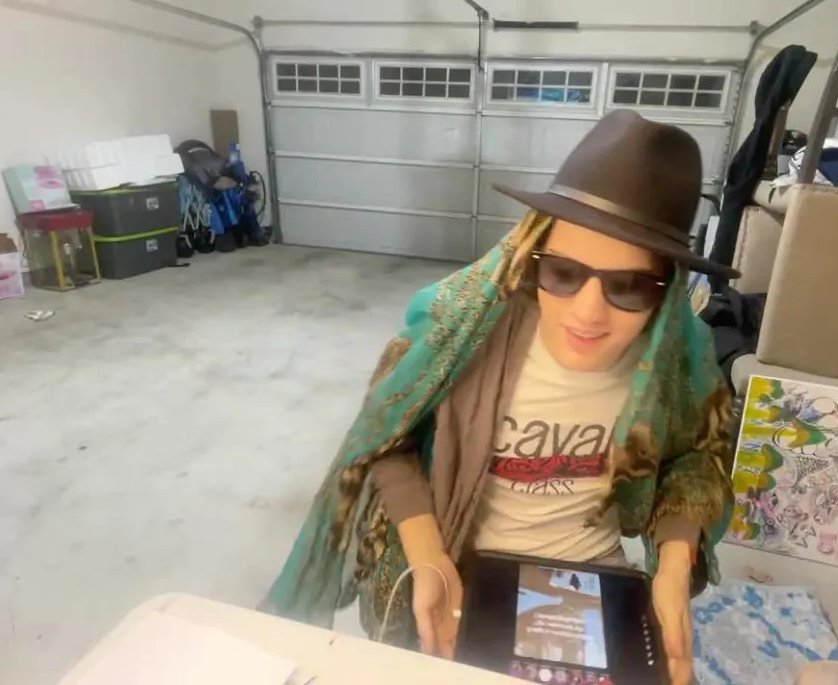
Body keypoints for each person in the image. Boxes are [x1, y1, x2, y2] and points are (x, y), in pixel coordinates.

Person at [264, 109, 739, 685]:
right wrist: (426, 553)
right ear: (532, 255)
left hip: (592, 581)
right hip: (463, 570)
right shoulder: (463, 332)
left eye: (629, 286)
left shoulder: (671, 360)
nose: (589, 313)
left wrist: (673, 565)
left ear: (665, 292)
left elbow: (696, 457)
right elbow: (386, 436)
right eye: (563, 273)